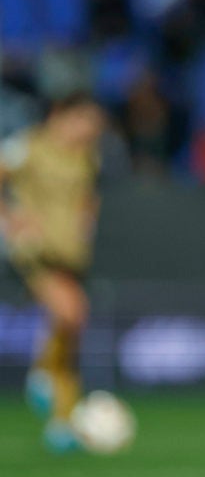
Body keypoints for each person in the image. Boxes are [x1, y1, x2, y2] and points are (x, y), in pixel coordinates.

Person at [0, 93, 107, 452]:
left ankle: (61, 421)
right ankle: (44, 379)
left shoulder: (87, 156)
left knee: (70, 332)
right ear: (62, 115)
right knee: (71, 313)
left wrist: (86, 220)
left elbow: (87, 196)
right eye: (86, 121)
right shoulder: (28, 146)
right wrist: (10, 219)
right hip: (34, 253)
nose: (91, 130)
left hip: (70, 255)